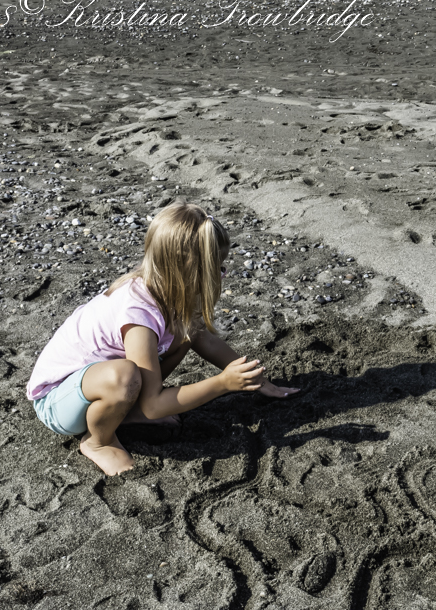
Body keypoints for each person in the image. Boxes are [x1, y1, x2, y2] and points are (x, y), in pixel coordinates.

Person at [27, 203, 299, 476]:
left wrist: (256, 379)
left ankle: (127, 411)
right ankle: (99, 442)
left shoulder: (165, 291)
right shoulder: (138, 313)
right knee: (124, 376)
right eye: (216, 269)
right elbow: (154, 405)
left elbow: (205, 340)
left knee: (187, 331)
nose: (221, 276)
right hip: (57, 401)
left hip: (95, 388)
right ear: (185, 270)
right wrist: (222, 384)